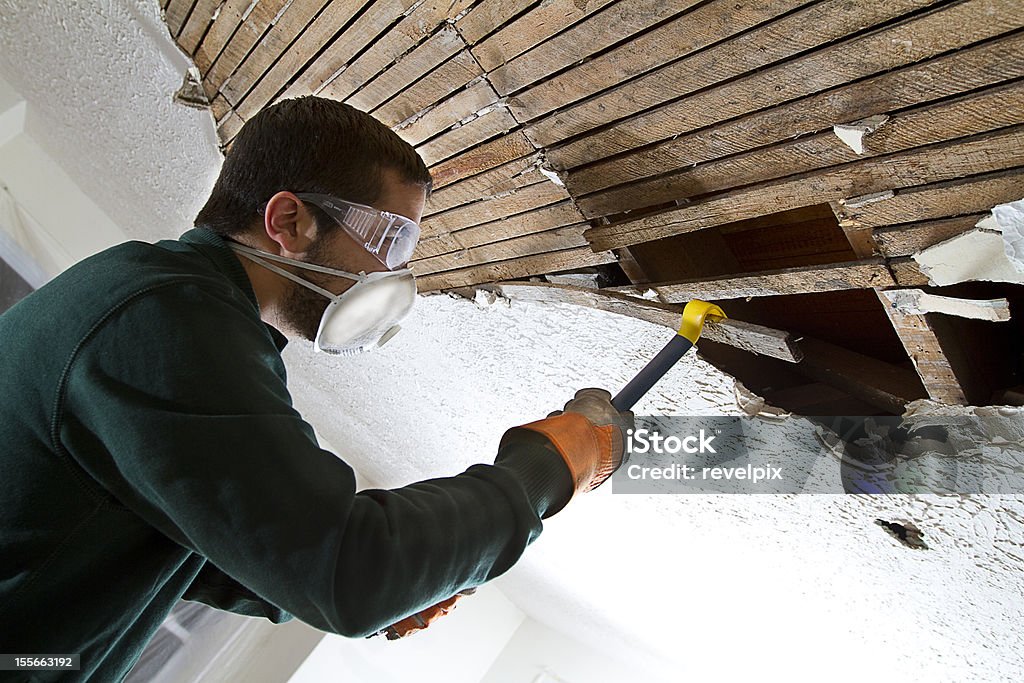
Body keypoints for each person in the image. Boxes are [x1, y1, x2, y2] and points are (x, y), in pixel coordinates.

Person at [0, 96, 633, 681]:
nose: (396, 273)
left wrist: (386, 589)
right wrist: (550, 466)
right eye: (392, 241)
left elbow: (204, 537)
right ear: (288, 220)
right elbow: (346, 569)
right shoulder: (165, 315)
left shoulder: (159, 303)